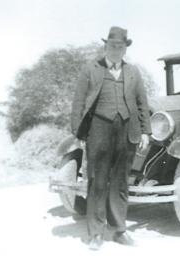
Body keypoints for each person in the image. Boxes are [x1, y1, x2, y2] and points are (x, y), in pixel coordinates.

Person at [71, 26, 152, 250]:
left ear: (125, 49)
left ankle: (118, 230)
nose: (116, 50)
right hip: (98, 129)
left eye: (120, 46)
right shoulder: (91, 69)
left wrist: (146, 131)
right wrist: (78, 132)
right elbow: (78, 102)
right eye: (112, 46)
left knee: (120, 182)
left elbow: (141, 104)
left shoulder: (133, 71)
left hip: (127, 130)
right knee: (97, 180)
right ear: (105, 46)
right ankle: (96, 233)